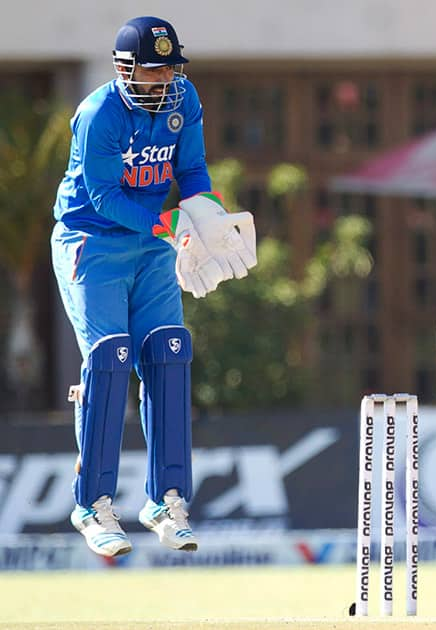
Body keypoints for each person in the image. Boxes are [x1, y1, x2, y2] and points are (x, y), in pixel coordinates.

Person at [51, 16, 256, 558]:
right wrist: (167, 225)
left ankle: (167, 500)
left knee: (169, 352)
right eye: (151, 69)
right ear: (124, 68)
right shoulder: (98, 114)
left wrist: (206, 218)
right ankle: (92, 504)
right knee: (111, 356)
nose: (162, 80)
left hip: (152, 242)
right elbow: (102, 198)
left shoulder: (183, 101)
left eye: (169, 69)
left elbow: (191, 173)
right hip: (91, 241)